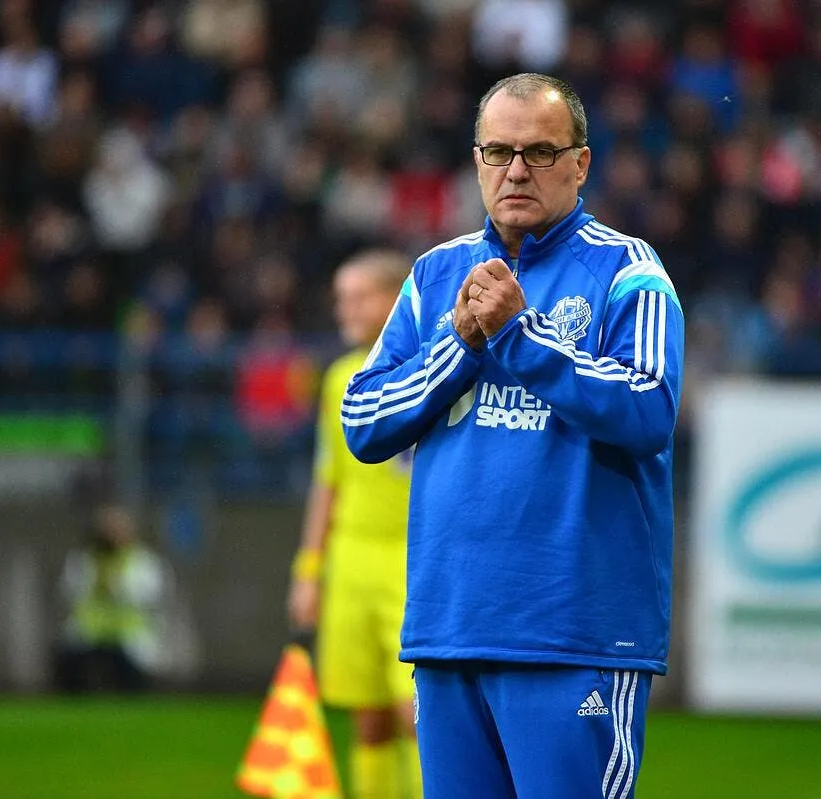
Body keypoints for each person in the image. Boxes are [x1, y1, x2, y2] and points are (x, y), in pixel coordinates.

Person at [341, 73, 684, 798]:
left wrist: (519, 336)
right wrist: (460, 343)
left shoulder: (629, 273)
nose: (517, 169)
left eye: (539, 151)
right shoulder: (436, 275)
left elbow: (649, 408)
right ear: (476, 162)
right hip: (451, 630)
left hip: (573, 637)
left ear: (581, 164)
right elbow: (363, 421)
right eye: (498, 151)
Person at [288, 249, 421, 799]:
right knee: (366, 715)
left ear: (394, 300)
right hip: (349, 562)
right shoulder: (340, 377)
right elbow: (328, 481)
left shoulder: (433, 366)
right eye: (341, 297)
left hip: (412, 562)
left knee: (413, 712)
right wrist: (308, 568)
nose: (345, 308)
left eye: (358, 295)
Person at [55, 503, 165, 693]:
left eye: (117, 528)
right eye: (107, 528)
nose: (111, 533)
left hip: (128, 634)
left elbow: (153, 596)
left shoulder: (142, 561)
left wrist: (117, 589)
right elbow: (67, 591)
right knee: (70, 663)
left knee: (131, 678)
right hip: (90, 632)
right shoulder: (85, 559)